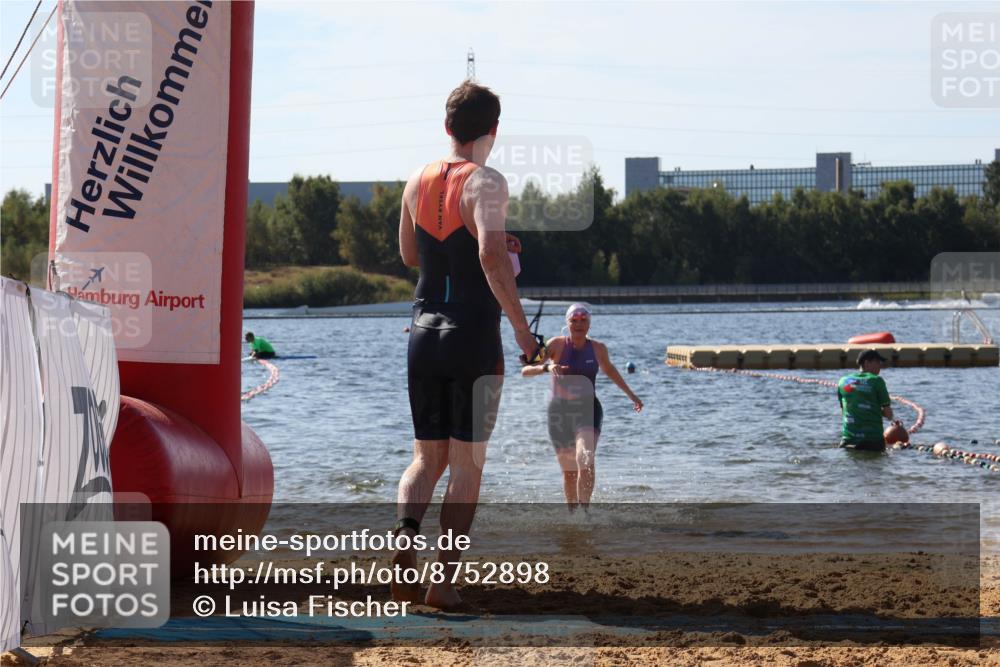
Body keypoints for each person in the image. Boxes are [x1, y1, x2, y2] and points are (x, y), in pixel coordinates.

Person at [393, 81, 537, 609]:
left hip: (422, 333)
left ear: (447, 126)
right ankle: (443, 583)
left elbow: (411, 255)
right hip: (473, 335)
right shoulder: (487, 182)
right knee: (468, 465)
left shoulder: (416, 180)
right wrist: (522, 331)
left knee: (424, 460)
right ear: (493, 130)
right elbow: (492, 257)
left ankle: (405, 544)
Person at [522, 303, 643, 511]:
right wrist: (547, 366)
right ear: (567, 323)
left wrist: (632, 396)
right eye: (574, 320)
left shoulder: (598, 348)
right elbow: (526, 370)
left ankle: (584, 512)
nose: (579, 324)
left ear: (589, 323)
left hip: (589, 410)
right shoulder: (556, 345)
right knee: (569, 472)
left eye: (583, 320)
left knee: (585, 456)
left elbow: (611, 371)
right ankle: (572, 514)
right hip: (559, 413)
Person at [837, 349, 895, 452]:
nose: (880, 366)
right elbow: (889, 415)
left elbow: (845, 411)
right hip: (872, 441)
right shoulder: (877, 381)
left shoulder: (843, 381)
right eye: (877, 362)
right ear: (867, 363)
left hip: (848, 440)